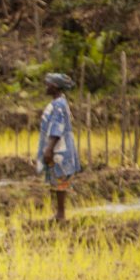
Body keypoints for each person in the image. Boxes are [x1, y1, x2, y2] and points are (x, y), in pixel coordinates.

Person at [37, 73, 81, 223]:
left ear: (54, 87)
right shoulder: (58, 103)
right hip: (57, 148)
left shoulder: (59, 105)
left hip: (59, 148)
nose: (46, 87)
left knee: (60, 179)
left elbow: (57, 127)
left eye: (48, 84)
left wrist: (49, 148)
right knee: (56, 180)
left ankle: (61, 214)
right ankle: (58, 212)